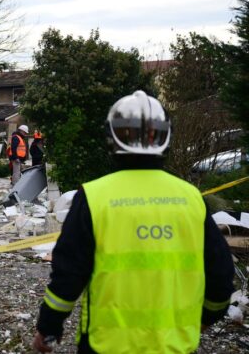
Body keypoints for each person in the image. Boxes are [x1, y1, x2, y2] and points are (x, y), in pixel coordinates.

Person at [33, 90, 235, 354]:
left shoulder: (93, 197)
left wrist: (49, 328)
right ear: (165, 137)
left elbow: (68, 276)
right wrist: (205, 320)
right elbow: (220, 278)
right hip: (176, 346)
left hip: (106, 345)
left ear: (111, 137)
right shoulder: (191, 199)